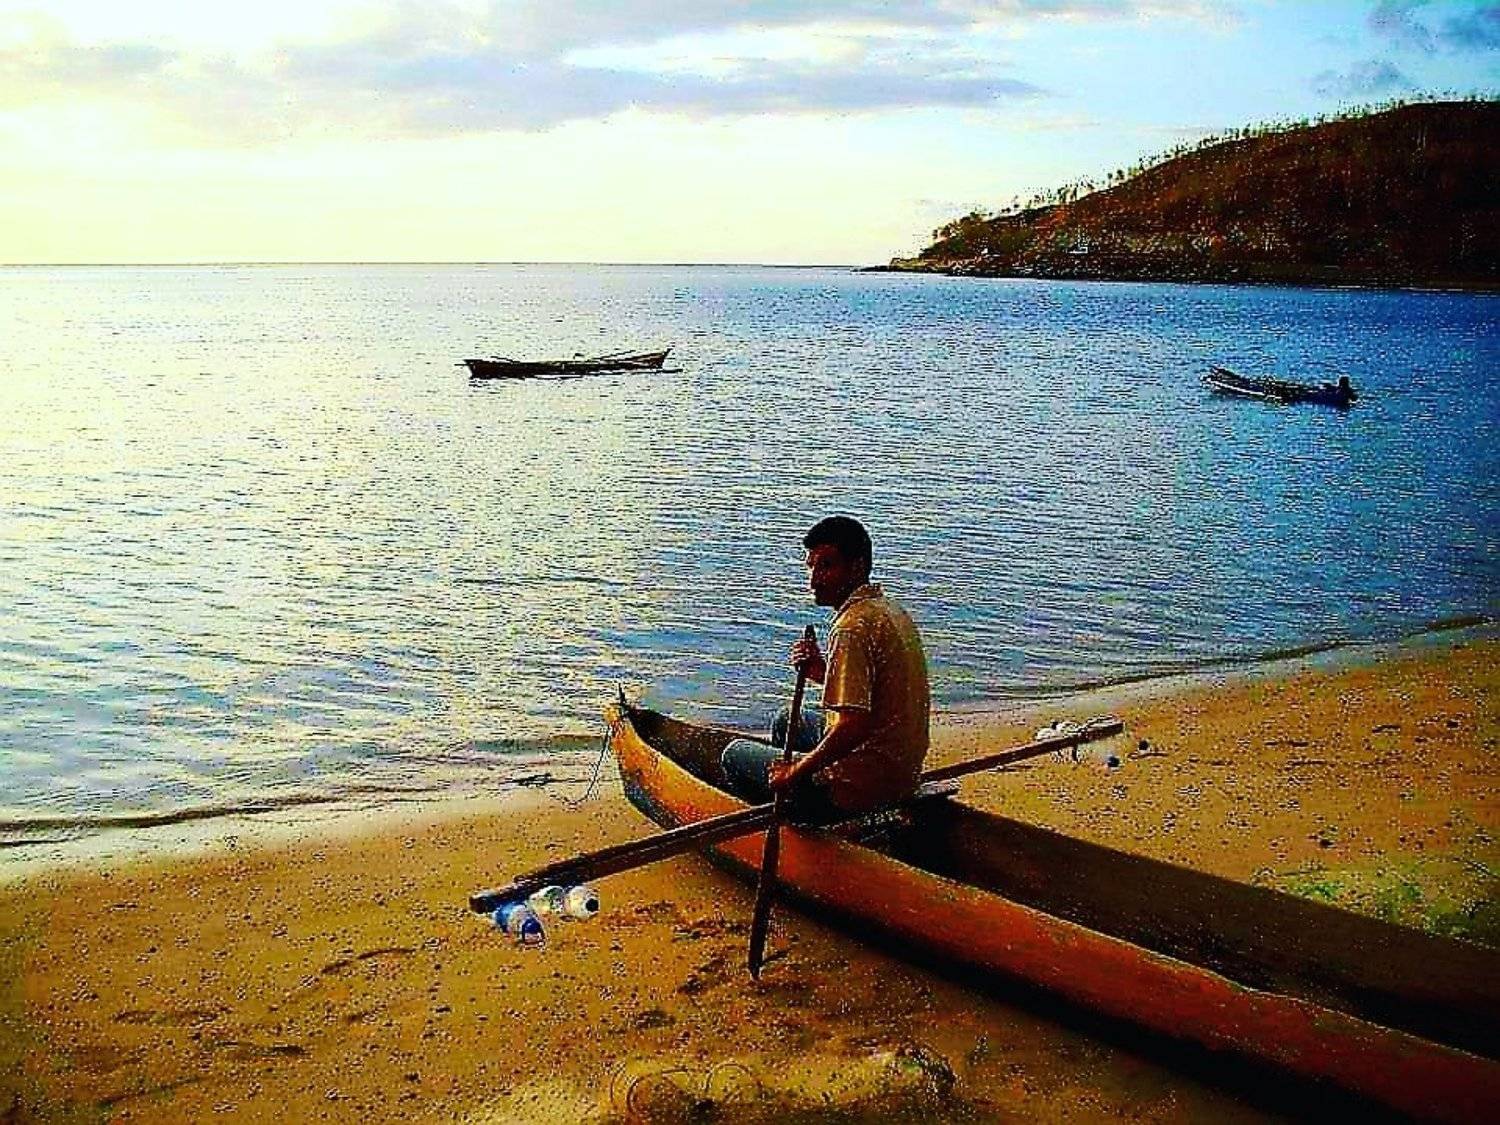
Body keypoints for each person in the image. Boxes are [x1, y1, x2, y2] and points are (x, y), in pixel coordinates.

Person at [720, 516, 931, 819]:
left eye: (827, 567)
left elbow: (853, 727)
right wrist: (821, 671)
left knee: (733, 754)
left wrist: (794, 772)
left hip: (863, 786)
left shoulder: (851, 627)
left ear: (856, 568)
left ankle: (793, 818)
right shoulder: (887, 609)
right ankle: (794, 801)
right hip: (901, 770)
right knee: (786, 720)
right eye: (812, 567)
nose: (814, 580)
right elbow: (874, 694)